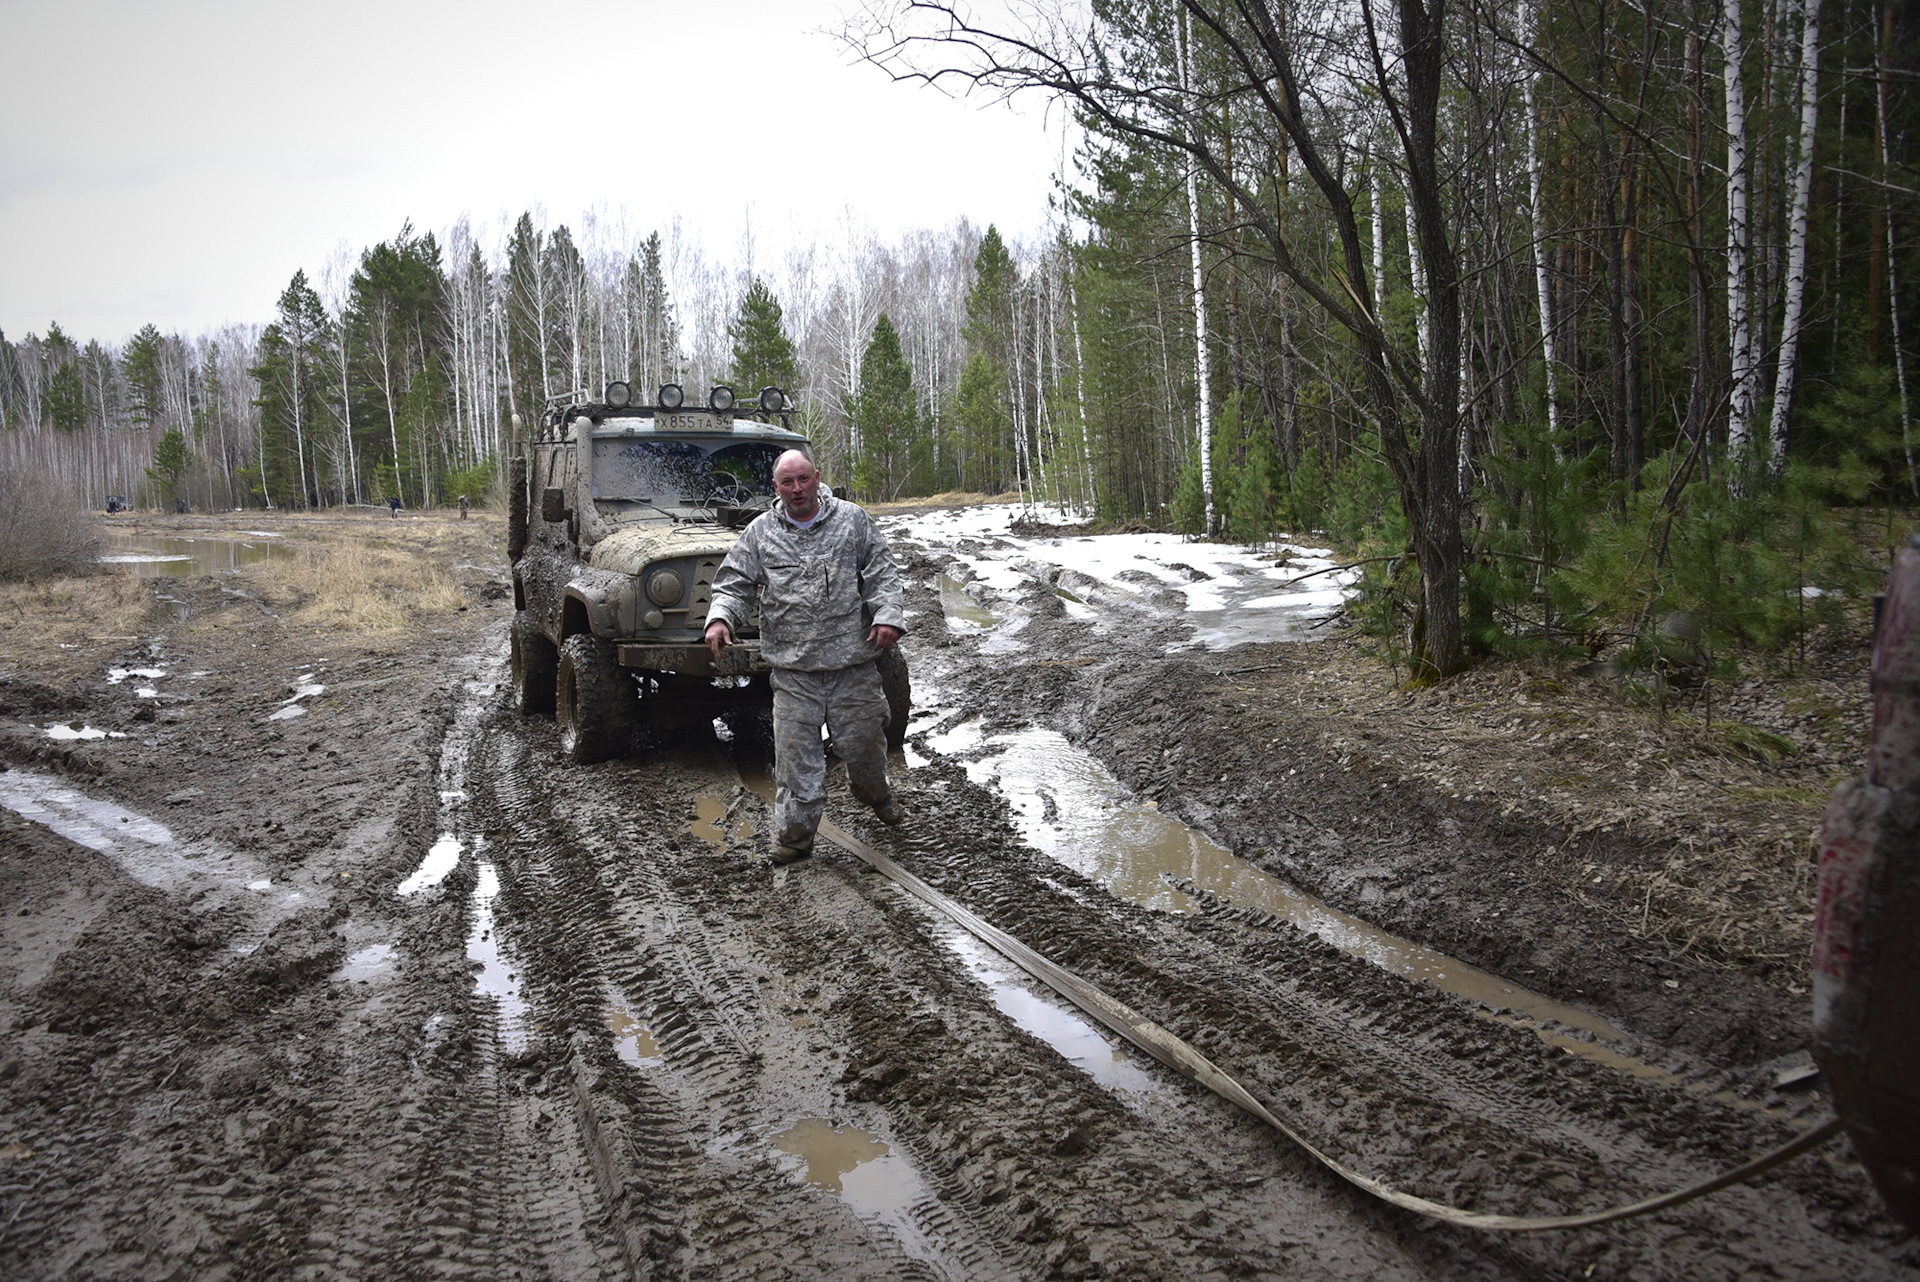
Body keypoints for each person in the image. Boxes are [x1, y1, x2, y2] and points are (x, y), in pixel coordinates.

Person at [704, 450, 907, 865]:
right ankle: (795, 838)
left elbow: (882, 573)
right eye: (787, 483)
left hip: (852, 666)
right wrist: (720, 618)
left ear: (817, 477)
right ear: (775, 488)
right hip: (794, 673)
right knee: (797, 763)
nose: (797, 489)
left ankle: (877, 794)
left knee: (866, 750)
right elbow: (734, 583)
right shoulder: (760, 533)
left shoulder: (853, 520)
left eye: (803, 480)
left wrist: (887, 616)